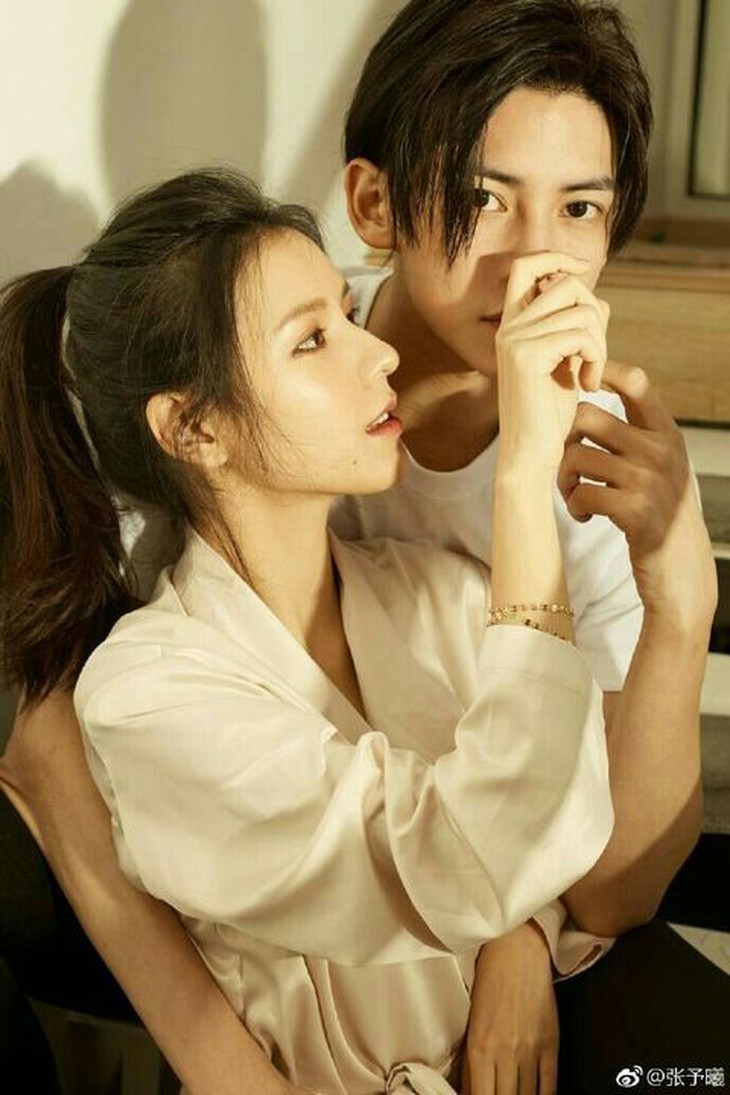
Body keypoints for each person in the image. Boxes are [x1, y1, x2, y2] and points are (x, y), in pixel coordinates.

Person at [0, 1, 724, 1093]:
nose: (539, 262)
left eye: (580, 207)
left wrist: (680, 596)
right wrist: (224, 1066)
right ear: (375, 204)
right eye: (485, 198)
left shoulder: (474, 557)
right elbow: (58, 739)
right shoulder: (201, 435)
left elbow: (591, 874)